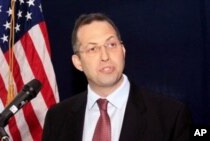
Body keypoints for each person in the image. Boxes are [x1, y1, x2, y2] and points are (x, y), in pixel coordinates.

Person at [42, 13, 191, 141]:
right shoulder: (57, 118)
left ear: (123, 51)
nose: (105, 56)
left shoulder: (170, 116)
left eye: (111, 45)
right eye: (92, 49)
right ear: (78, 62)